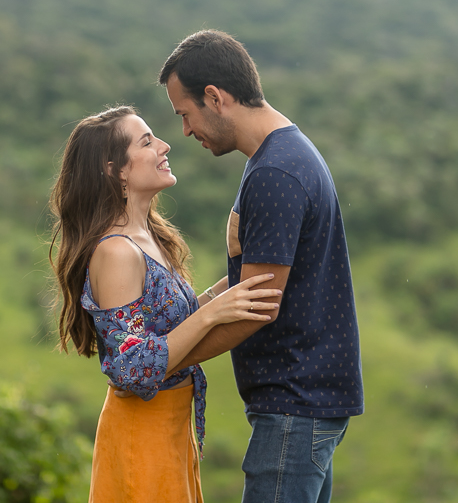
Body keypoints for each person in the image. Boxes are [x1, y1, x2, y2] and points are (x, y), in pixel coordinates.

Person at [158, 30, 364, 503]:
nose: (186, 131)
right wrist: (194, 312)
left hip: (294, 403)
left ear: (215, 97)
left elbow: (256, 306)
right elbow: (252, 282)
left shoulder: (275, 172)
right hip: (307, 402)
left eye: (185, 115)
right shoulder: (283, 153)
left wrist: (164, 361)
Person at [48, 105, 283, 503]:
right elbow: (131, 369)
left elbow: (171, 324)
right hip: (143, 434)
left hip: (172, 428)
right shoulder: (116, 252)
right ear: (115, 170)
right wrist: (212, 313)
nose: (164, 144)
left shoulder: (148, 234)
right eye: (146, 141)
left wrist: (252, 272)